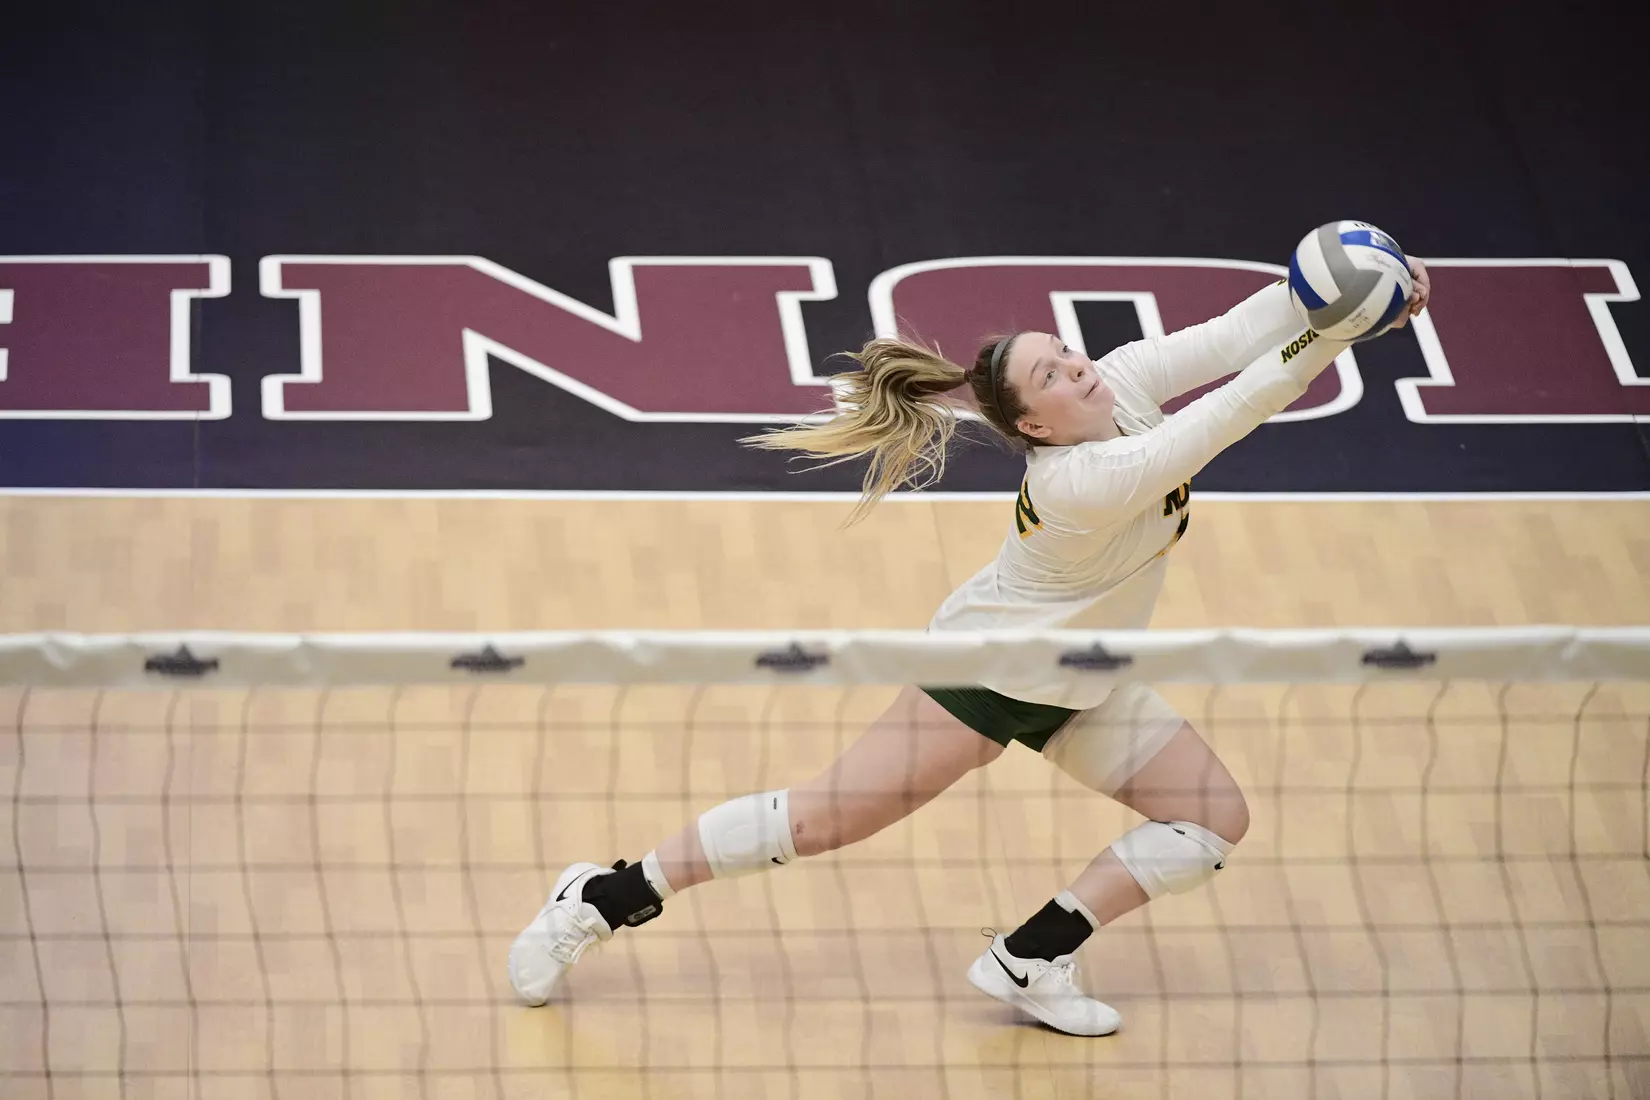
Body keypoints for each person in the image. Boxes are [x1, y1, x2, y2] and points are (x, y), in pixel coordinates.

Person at [507, 254, 1432, 1036]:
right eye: (1054, 377)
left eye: (1065, 355)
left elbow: (1244, 329)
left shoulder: (1123, 387)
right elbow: (1244, 401)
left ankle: (1031, 959)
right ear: (1032, 426)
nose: (1078, 370)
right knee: (823, 820)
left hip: (1086, 678)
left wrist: (1358, 281)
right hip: (985, 676)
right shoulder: (1083, 481)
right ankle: (598, 898)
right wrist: (1349, 326)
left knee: (1209, 821)